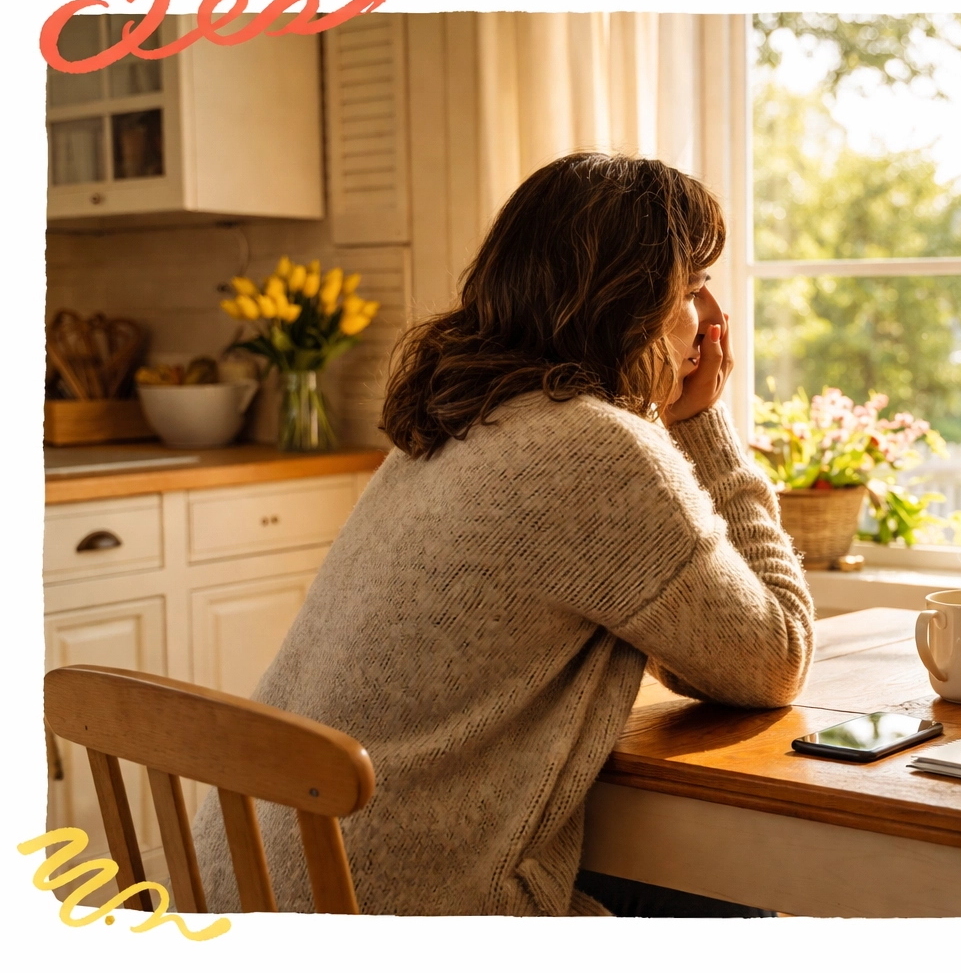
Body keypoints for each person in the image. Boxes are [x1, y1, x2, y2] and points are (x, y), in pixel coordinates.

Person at [189, 152, 815, 917]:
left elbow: (711, 655)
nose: (711, 319)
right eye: (690, 291)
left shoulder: (453, 420)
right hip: (394, 913)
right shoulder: (597, 450)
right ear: (630, 303)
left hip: (253, 887)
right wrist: (704, 429)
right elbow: (772, 660)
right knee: (738, 893)